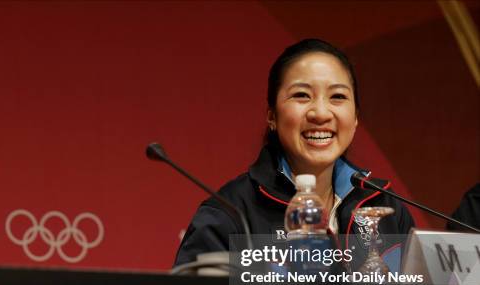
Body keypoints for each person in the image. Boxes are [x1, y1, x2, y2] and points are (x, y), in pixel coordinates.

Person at [175, 39, 414, 269]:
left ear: (355, 118)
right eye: (302, 95)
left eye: (338, 97)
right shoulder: (231, 213)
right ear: (272, 116)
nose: (320, 113)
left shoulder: (386, 207)